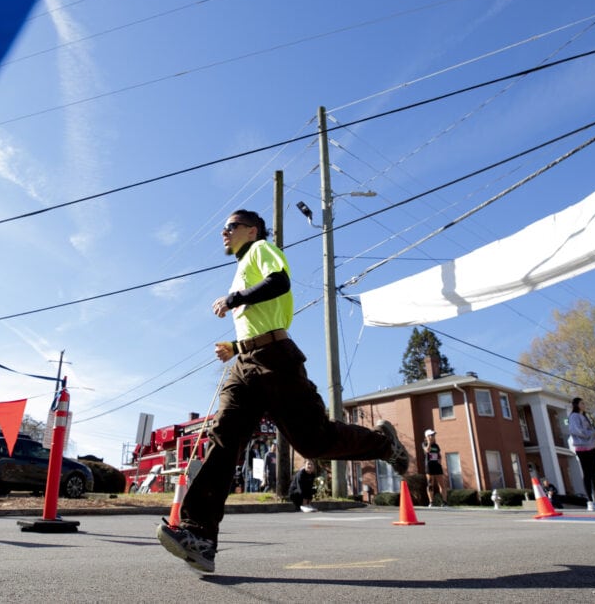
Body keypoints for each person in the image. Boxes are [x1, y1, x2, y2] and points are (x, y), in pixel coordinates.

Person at [157, 209, 410, 573]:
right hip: (246, 363)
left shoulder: (261, 250)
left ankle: (384, 444)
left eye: (230, 227)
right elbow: (261, 319)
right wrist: (235, 346)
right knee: (223, 440)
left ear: (252, 229)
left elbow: (280, 282)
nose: (223, 234)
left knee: (313, 443)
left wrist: (233, 299)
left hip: (276, 359)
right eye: (223, 229)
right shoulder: (243, 265)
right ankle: (199, 537)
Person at [568, 397, 595, 511]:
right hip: (582, 448)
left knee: (593, 474)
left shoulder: (584, 416)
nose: (584, 405)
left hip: (591, 447)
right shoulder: (574, 416)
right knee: (587, 474)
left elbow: (588, 431)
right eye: (582, 403)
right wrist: (592, 433)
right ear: (576, 404)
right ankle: (589, 501)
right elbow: (577, 431)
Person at [422, 429, 447, 507]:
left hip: (437, 467)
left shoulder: (436, 446)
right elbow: (427, 450)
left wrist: (440, 460)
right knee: (430, 484)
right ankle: (431, 502)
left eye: (433, 435)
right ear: (427, 436)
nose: (433, 436)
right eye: (431, 435)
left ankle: (444, 502)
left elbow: (439, 455)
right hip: (429, 467)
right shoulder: (424, 443)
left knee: (442, 484)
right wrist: (429, 442)